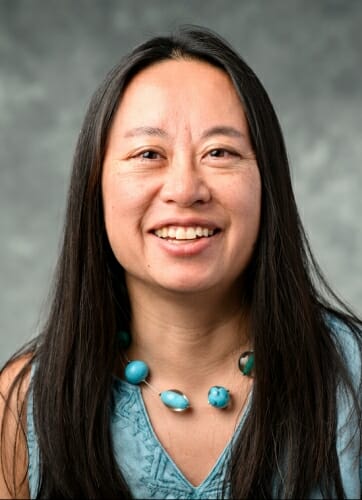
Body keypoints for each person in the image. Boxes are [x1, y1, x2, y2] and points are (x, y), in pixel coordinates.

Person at [0, 25, 361, 500]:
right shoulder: (23, 403)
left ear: (267, 184)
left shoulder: (352, 380)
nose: (185, 189)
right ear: (96, 190)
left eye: (220, 152)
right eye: (148, 153)